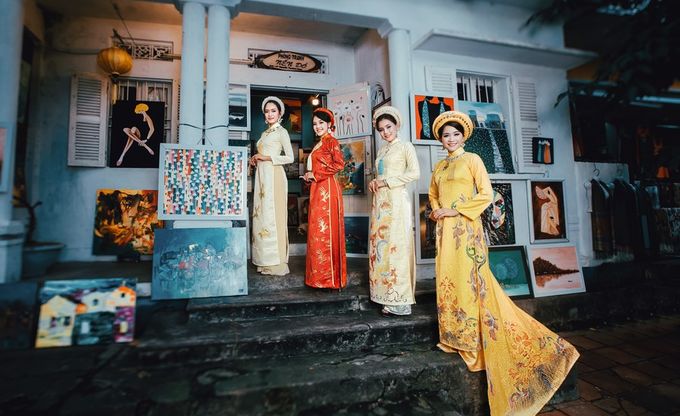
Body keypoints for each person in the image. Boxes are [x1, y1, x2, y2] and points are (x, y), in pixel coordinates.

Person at [428, 111, 579, 415]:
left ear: (463, 136)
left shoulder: (473, 160)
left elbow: (486, 194)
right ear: (440, 139)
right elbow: (433, 193)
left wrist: (454, 211)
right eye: (446, 135)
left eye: (455, 134)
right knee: (448, 280)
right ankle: (452, 337)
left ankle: (471, 341)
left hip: (466, 229)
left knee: (470, 281)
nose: (451, 139)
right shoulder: (440, 166)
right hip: (444, 231)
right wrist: (436, 210)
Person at [368, 106, 420, 316]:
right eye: (381, 129)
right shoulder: (382, 151)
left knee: (396, 246)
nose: (385, 132)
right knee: (380, 246)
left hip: (397, 200)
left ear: (397, 125)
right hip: (380, 202)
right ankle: (383, 295)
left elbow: (414, 173)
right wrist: (375, 182)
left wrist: (387, 182)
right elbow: (381, 175)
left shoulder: (405, 146)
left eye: (389, 127)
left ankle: (399, 300)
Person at [302, 108, 347, 289]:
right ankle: (318, 278)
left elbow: (339, 164)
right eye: (315, 124)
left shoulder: (331, 141)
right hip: (318, 188)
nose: (317, 126)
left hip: (327, 188)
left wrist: (315, 174)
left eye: (321, 123)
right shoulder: (320, 143)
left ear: (329, 124)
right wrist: (310, 176)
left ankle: (330, 280)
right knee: (317, 231)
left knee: (325, 231)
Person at [250, 96, 294, 275]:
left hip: (274, 176)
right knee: (261, 217)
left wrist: (266, 157)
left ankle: (276, 263)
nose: (270, 114)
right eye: (267, 111)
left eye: (273, 111)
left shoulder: (282, 132)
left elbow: (290, 157)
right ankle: (264, 261)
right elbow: (263, 154)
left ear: (280, 113)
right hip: (262, 177)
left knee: (273, 217)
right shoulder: (264, 134)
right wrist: (255, 158)